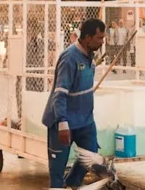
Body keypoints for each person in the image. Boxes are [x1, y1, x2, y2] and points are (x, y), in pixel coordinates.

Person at [41, 18, 106, 190]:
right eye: (99, 38)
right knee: (57, 170)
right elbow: (59, 94)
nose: (102, 42)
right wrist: (62, 123)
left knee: (91, 156)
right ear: (87, 37)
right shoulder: (69, 58)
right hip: (63, 122)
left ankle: (71, 185)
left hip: (85, 121)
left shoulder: (89, 55)